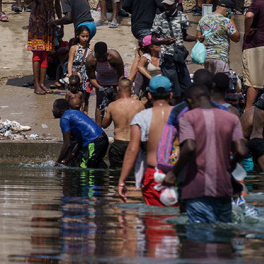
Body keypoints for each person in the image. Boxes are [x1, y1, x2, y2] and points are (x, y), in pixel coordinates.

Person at [162, 83, 248, 224]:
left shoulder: (188, 118)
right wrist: (230, 167)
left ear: (190, 101)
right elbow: (242, 151)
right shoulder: (231, 118)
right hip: (224, 189)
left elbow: (189, 147)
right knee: (221, 237)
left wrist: (173, 173)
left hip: (197, 190)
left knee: (199, 238)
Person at [117, 75, 175, 205]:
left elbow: (132, 150)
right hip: (178, 174)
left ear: (149, 95)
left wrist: (122, 181)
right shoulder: (181, 115)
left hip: (153, 175)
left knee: (153, 221)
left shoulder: (141, 117)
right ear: (171, 95)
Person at [152, 0, 195, 100]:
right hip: (167, 59)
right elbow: (153, 39)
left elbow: (185, 36)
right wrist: (162, 42)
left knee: (186, 88)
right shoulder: (159, 18)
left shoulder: (183, 17)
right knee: (173, 91)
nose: (166, 7)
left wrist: (196, 38)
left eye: (169, 5)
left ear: (176, 4)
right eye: (165, 5)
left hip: (180, 58)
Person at [25, 0, 62, 95]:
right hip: (37, 22)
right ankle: (36, 83)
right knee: (37, 53)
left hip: (48, 21)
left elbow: (57, 5)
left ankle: (42, 83)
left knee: (45, 53)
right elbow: (27, 1)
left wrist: (59, 22)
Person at [101, 78, 144, 169]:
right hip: (134, 143)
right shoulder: (139, 105)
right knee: (134, 173)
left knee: (116, 174)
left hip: (118, 145)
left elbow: (104, 125)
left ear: (117, 89)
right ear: (132, 89)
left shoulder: (112, 106)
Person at [53, 98, 109, 168]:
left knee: (84, 168)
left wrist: (57, 162)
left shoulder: (64, 118)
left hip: (94, 141)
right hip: (103, 140)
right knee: (96, 164)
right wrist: (69, 158)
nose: (52, 110)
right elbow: (79, 141)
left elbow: (67, 144)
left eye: (54, 108)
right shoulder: (76, 113)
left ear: (59, 109)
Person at [242, 0, 264, 108]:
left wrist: (247, 30)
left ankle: (247, 111)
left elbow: (249, 15)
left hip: (256, 45)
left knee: (253, 82)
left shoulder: (257, 4)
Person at [86, 41, 124, 125]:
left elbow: (121, 75)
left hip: (116, 75)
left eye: (103, 57)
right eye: (98, 58)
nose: (100, 60)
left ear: (106, 53)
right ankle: (99, 130)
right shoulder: (90, 60)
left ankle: (118, 126)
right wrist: (100, 88)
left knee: (117, 101)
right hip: (102, 76)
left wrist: (118, 88)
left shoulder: (114, 56)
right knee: (100, 103)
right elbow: (92, 78)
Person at [196, 0, 239, 74]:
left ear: (217, 7)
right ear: (228, 11)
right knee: (220, 83)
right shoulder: (225, 21)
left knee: (210, 81)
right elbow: (236, 38)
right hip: (220, 57)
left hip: (207, 57)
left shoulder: (203, 19)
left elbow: (198, 38)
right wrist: (232, 20)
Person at [67, 25, 93, 115]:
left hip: (87, 77)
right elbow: (70, 62)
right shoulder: (74, 48)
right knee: (75, 97)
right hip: (76, 77)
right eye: (83, 36)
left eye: (87, 36)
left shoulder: (91, 48)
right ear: (77, 36)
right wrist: (70, 75)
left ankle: (85, 115)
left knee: (85, 99)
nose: (85, 38)